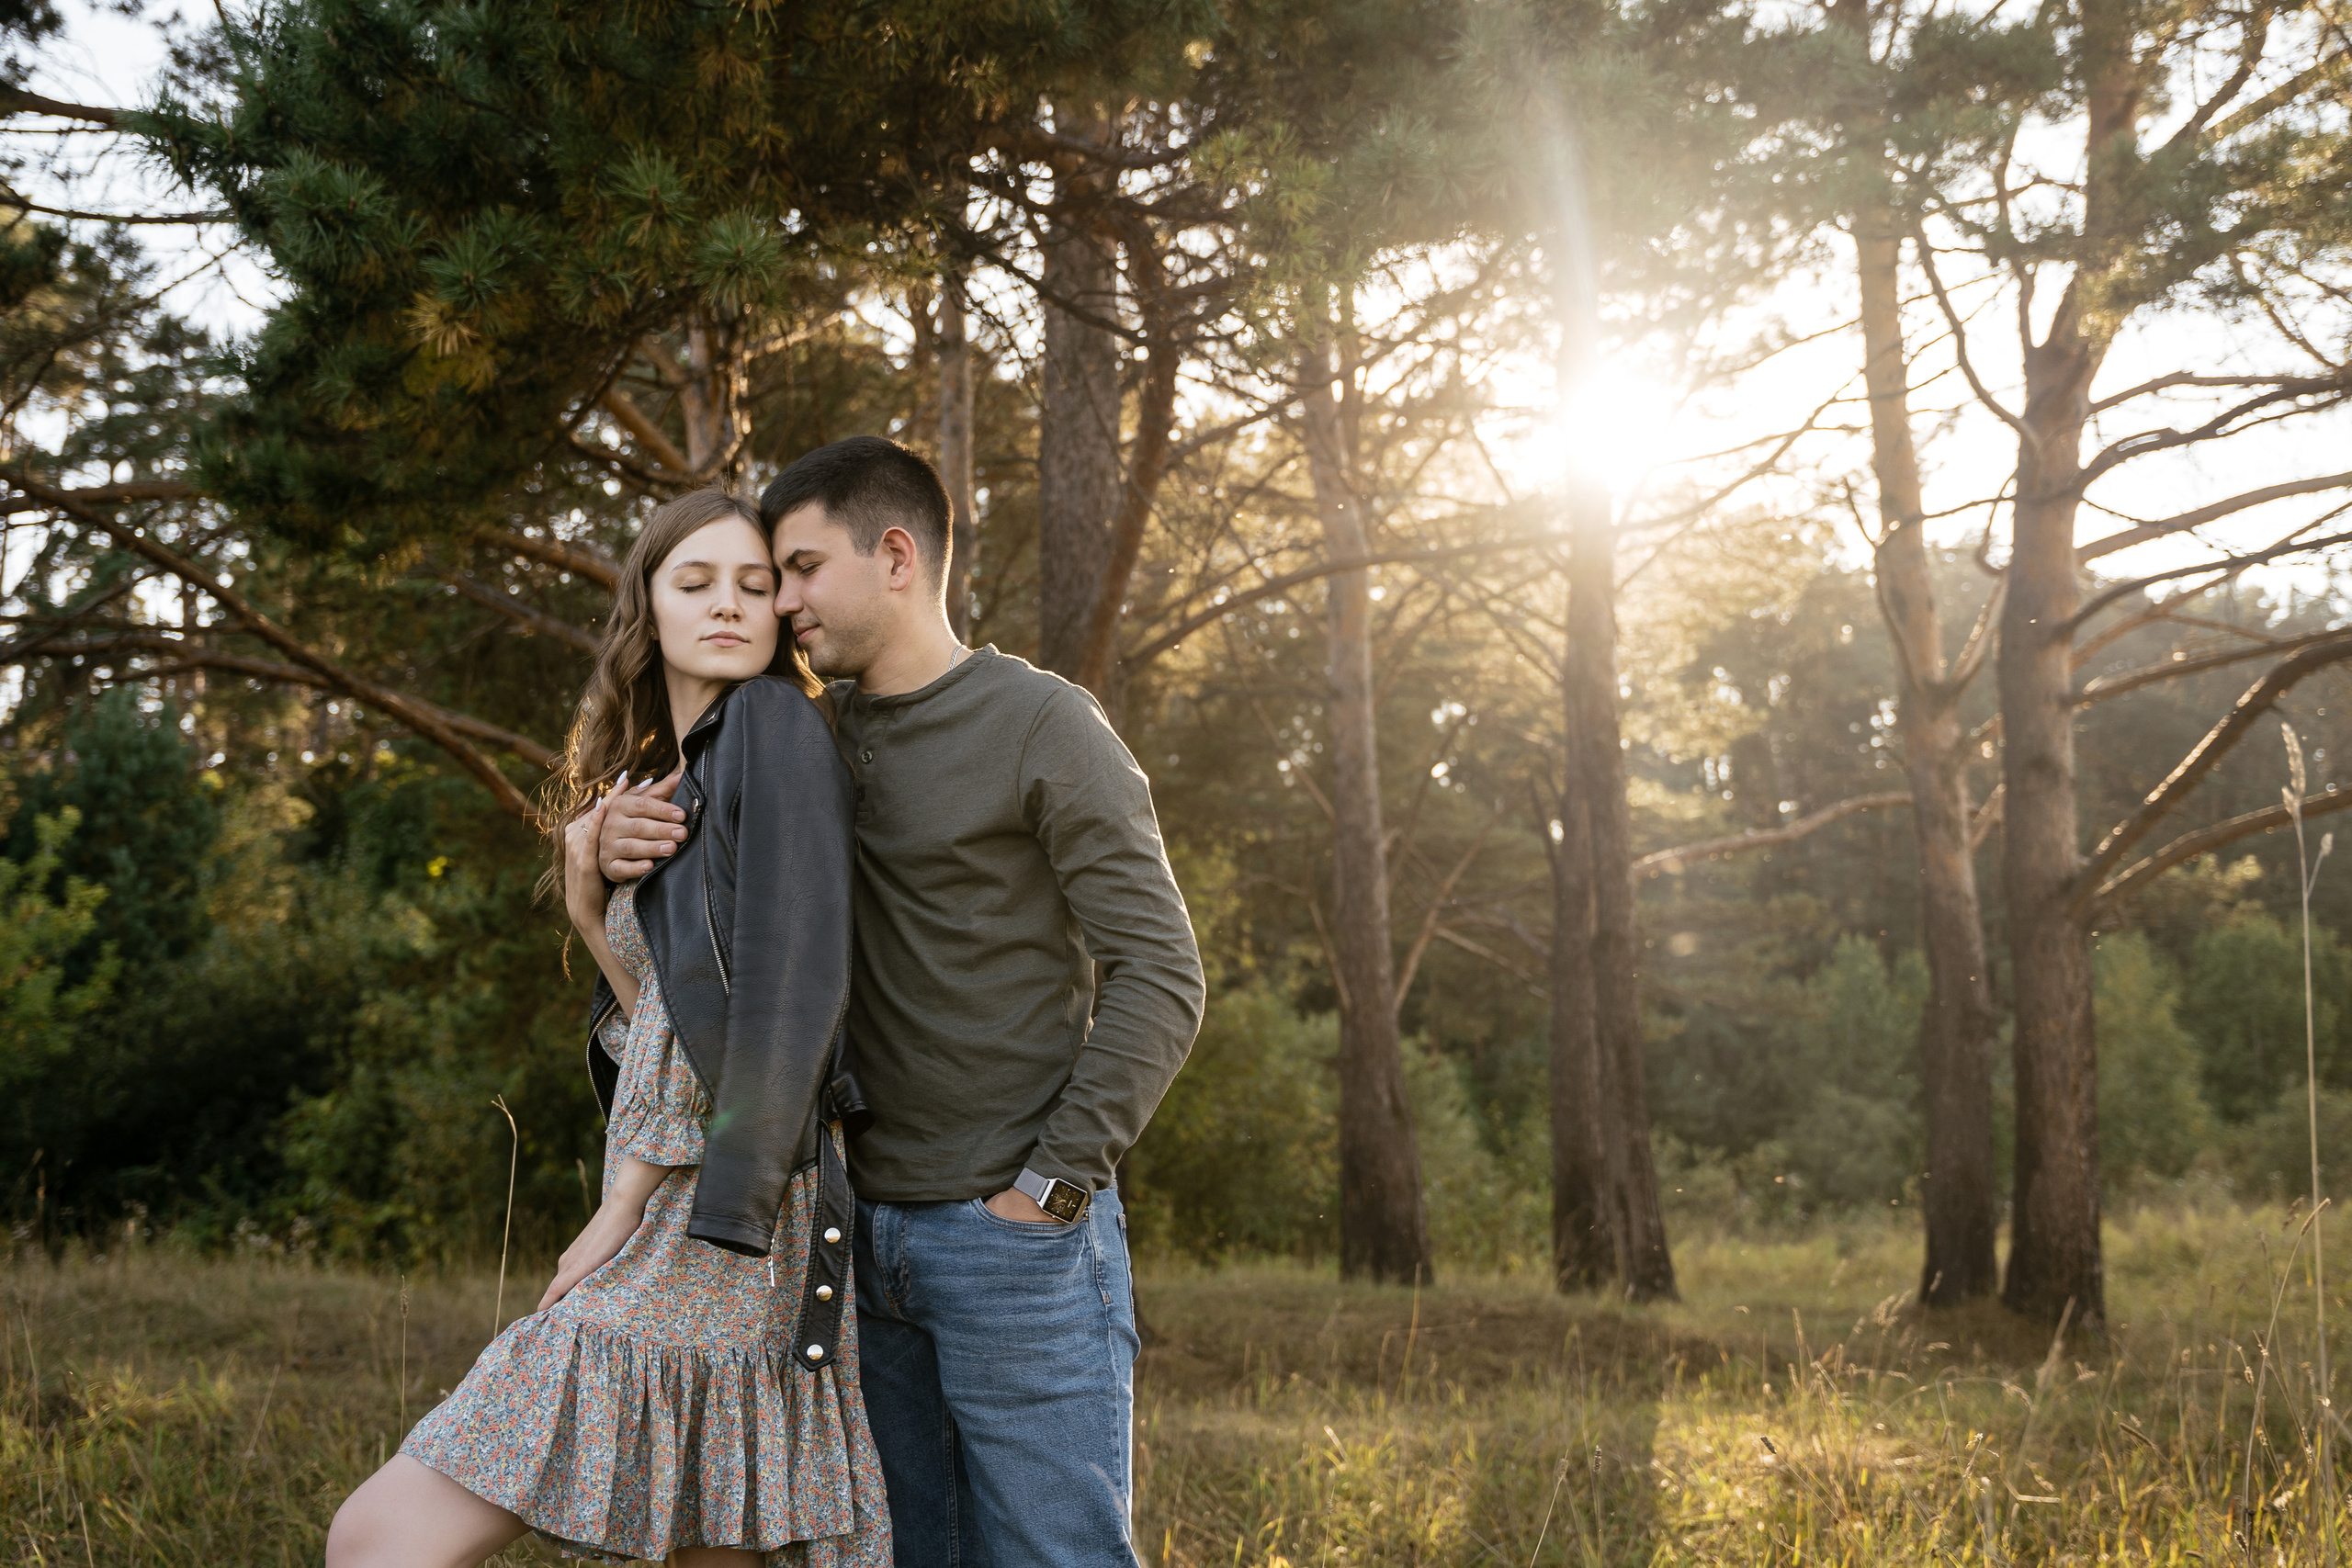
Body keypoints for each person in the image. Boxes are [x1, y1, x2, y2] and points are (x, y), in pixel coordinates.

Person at [600, 436, 1205, 1568]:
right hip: (848, 1238)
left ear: (893, 555)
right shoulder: (801, 734)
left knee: (1054, 1555)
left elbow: (1163, 973)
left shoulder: (1043, 725)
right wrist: (599, 848)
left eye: (800, 569)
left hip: (1010, 1239)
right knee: (902, 1552)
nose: (781, 603)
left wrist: (1049, 1190)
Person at [326, 489, 891, 1568]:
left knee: (375, 1538)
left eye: (754, 585)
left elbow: (794, 994)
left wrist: (626, 1206)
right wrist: (589, 909)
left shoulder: (771, 724)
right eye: (695, 582)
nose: (727, 605)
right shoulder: (677, 771)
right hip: (712, 1194)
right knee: (707, 1543)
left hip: (725, 1215)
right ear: (648, 605)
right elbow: (675, 1028)